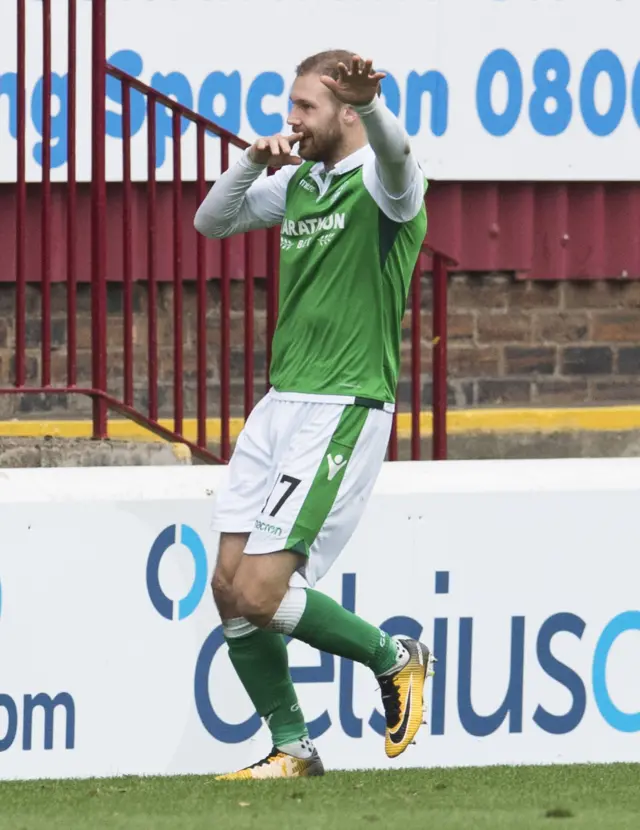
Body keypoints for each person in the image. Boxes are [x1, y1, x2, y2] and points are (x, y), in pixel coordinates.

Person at [194, 50, 433, 781]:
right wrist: (249, 161)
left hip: (344, 404)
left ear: (345, 113)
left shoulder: (387, 187)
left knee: (265, 591)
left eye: (304, 107)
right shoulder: (300, 182)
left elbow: (397, 158)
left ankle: (396, 658)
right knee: (230, 587)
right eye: (290, 105)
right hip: (281, 403)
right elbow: (212, 222)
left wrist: (380, 107)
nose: (291, 120)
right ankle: (292, 747)